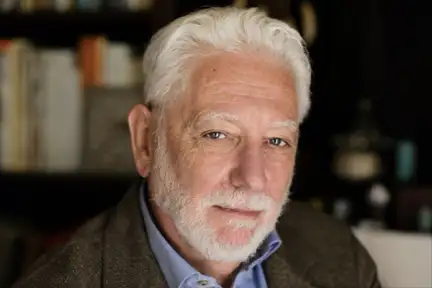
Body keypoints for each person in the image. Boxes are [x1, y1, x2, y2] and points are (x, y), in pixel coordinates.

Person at [13, 7, 381, 288]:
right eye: (217, 134)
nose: (252, 178)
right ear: (145, 141)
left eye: (276, 141)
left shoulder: (341, 258)